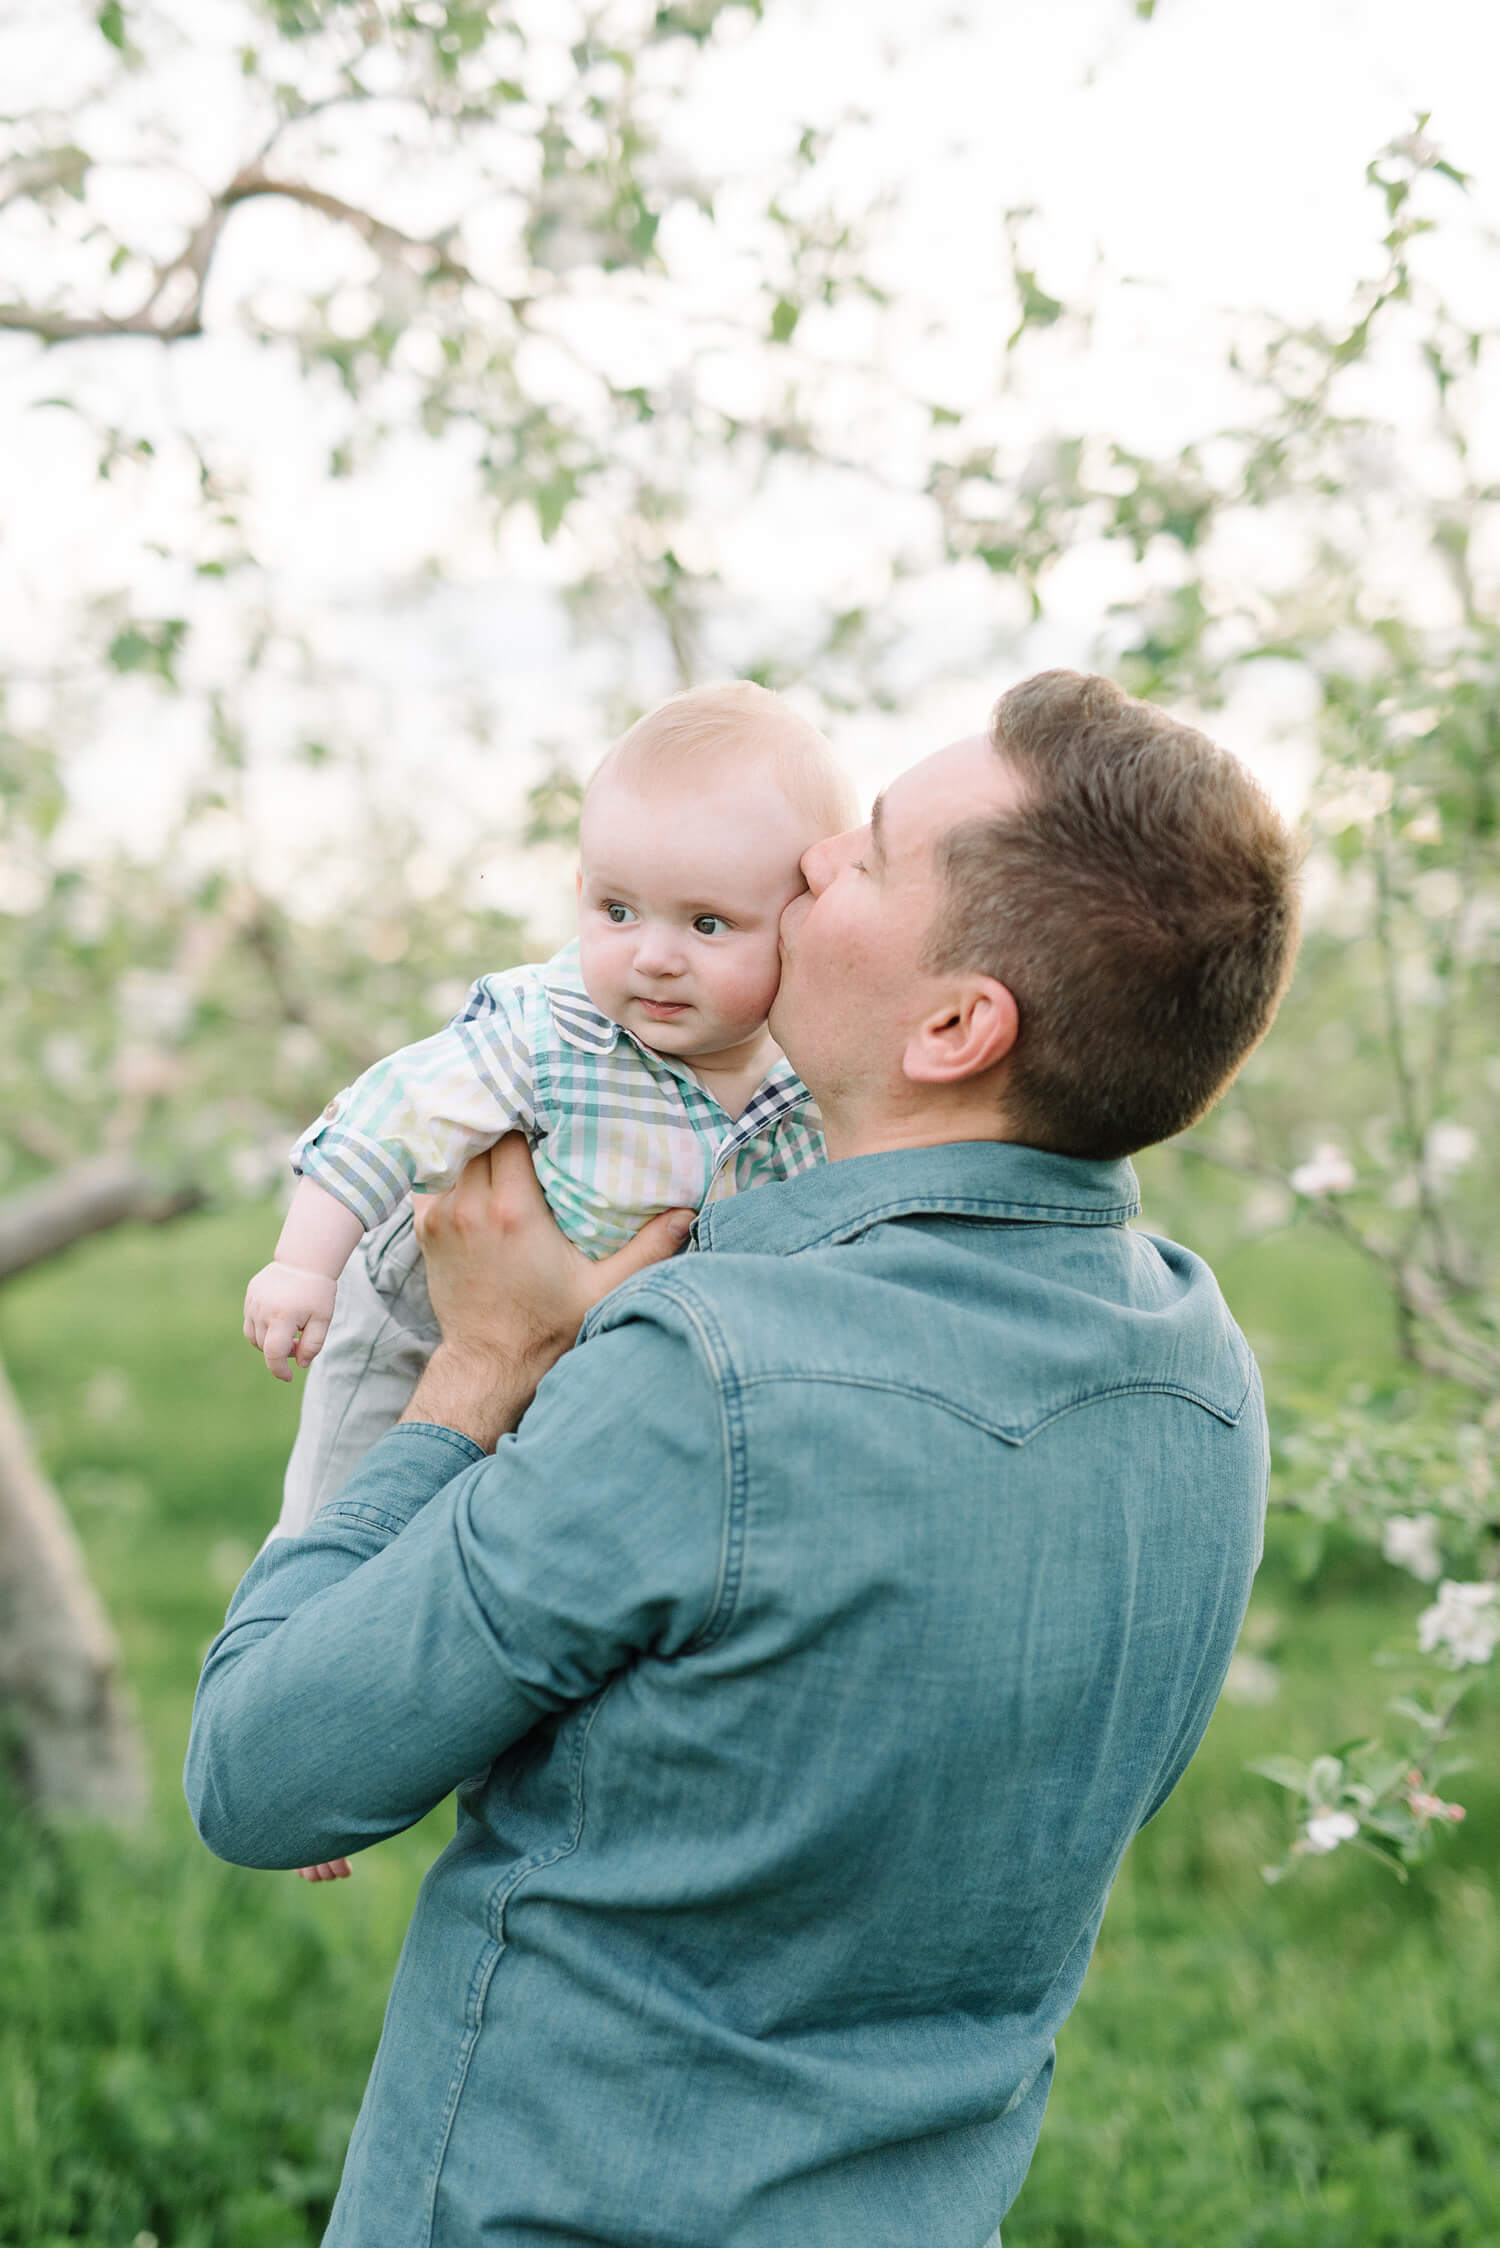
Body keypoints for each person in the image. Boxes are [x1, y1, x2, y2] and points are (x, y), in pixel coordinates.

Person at [186, 669, 1303, 2248]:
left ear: (956, 1024)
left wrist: (480, 1369)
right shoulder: (1203, 1381)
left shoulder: (704, 1382)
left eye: (874, 852)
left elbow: (264, 1774)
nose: (818, 855)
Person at [242, 680, 854, 1388]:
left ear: (806, 920)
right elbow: (392, 1110)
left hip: (624, 1373)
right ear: (580, 892)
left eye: (707, 923)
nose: (651, 957)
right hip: (421, 1339)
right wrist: (300, 1266)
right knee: (351, 1490)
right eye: (617, 911)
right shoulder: (549, 1030)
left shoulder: (820, 1072)